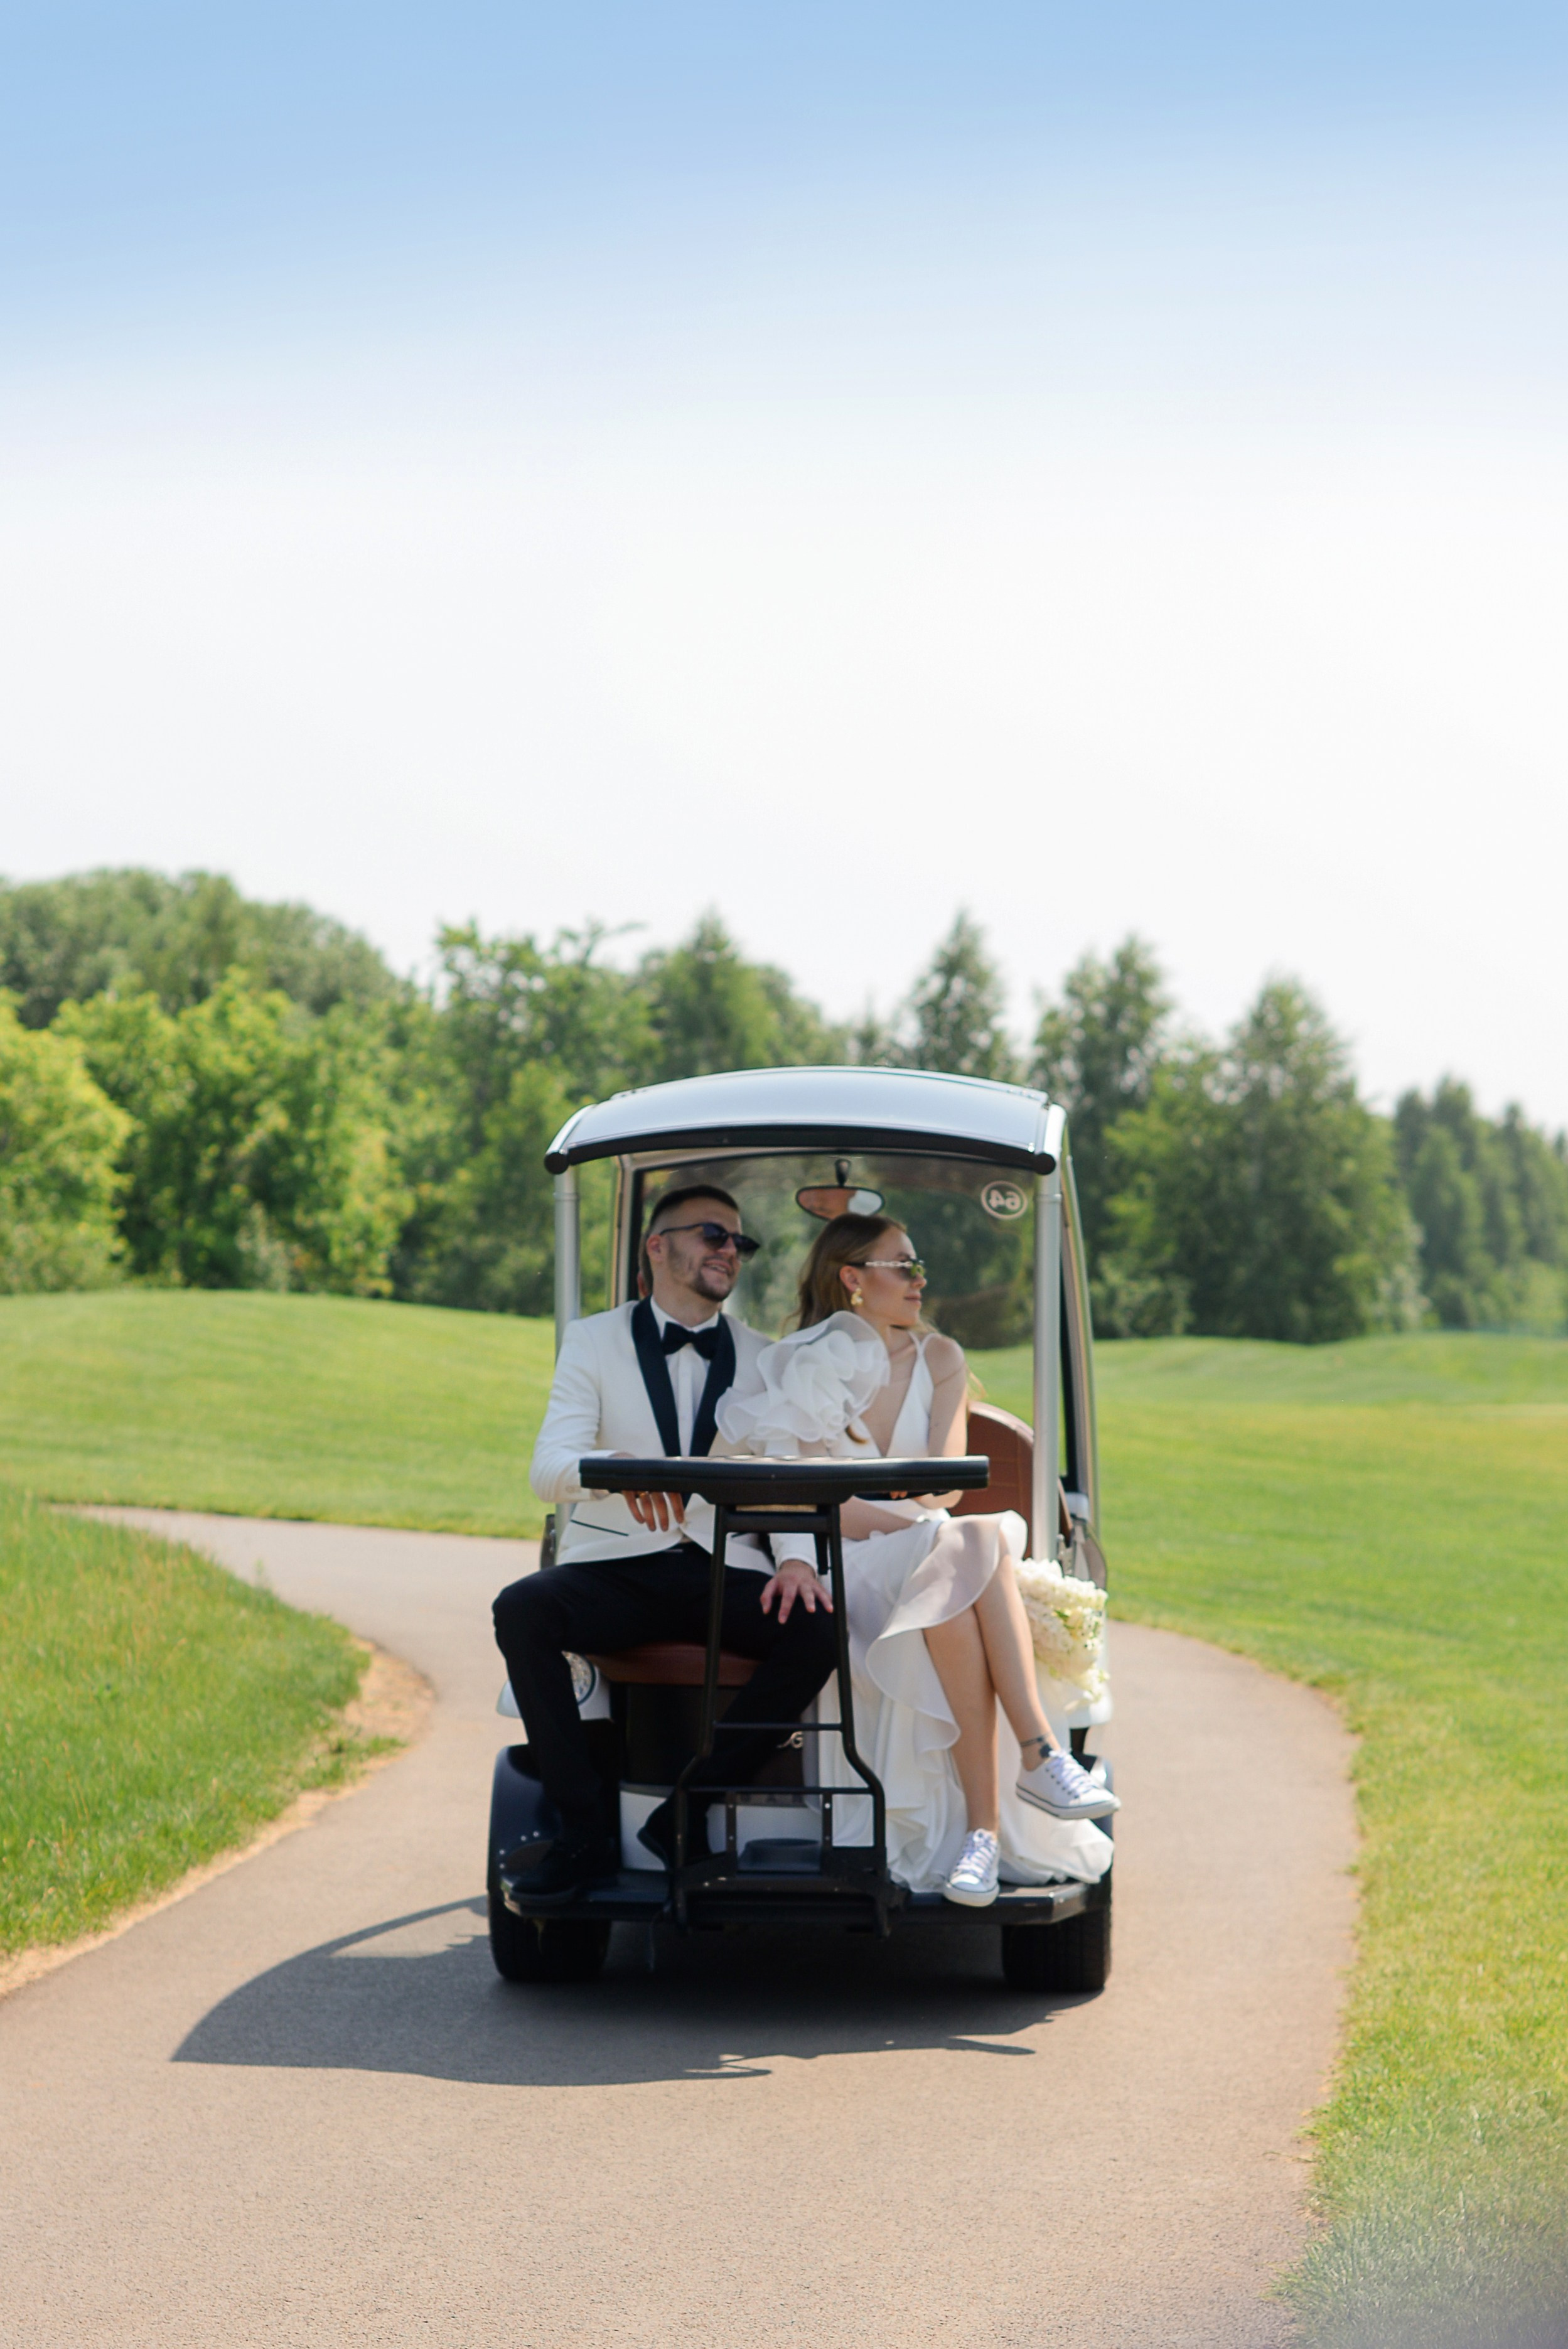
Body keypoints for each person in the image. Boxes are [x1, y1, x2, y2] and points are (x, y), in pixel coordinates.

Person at [718, 1212, 1117, 1910]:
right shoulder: (804, 1363)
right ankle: (1037, 1757)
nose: (918, 1280)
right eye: (901, 1265)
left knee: (963, 1545)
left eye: (918, 1263)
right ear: (852, 1278)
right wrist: (900, 1510)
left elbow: (947, 1483)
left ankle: (984, 1833)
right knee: (974, 1540)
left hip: (926, 1552)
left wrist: (891, 1502)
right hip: (852, 1562)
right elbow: (816, 1505)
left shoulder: (940, 1358)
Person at [493, 1184, 839, 1901]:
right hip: (616, 1569)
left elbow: (784, 1469)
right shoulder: (592, 1339)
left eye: (738, 1242)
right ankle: (583, 1832)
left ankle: (688, 1805)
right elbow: (547, 1469)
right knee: (522, 1608)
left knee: (818, 1626)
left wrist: (797, 1560)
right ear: (658, 1246)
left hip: (719, 1567)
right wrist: (616, 1475)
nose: (728, 1251)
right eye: (713, 1234)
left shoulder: (761, 1355)